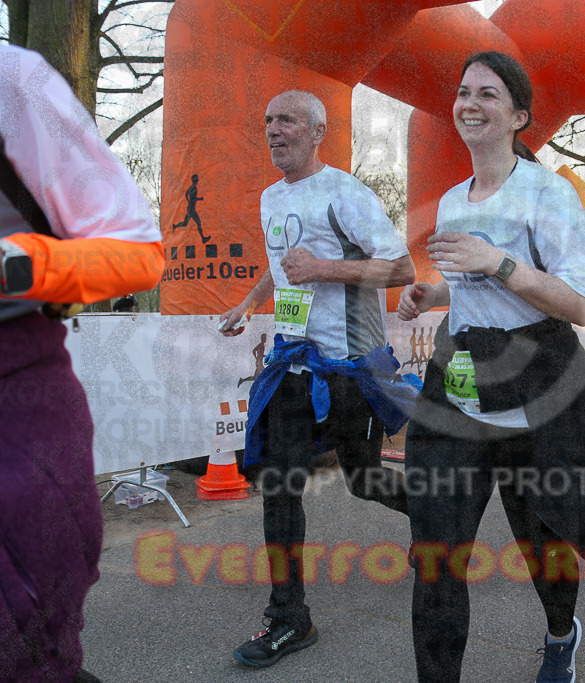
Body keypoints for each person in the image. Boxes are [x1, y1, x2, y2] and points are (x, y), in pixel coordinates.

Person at [396, 52, 585, 683]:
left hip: (535, 374)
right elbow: (475, 288)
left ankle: (562, 633)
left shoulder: (548, 193)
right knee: (435, 550)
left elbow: (582, 303)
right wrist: (434, 293)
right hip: (461, 371)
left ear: (518, 116)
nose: (469, 103)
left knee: (541, 537)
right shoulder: (452, 199)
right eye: (463, 91)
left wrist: (495, 260)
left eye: (488, 95)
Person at [0, 38, 163, 680]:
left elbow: (140, 252)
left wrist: (9, 264)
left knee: (18, 652)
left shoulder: (2, 79)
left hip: (3, 403)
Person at [219, 90, 417, 668]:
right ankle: (290, 619)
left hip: (349, 368)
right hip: (292, 364)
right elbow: (280, 263)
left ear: (316, 131)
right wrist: (248, 302)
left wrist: (327, 267)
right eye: (267, 120)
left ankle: (433, 521)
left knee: (364, 480)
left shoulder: (347, 195)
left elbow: (402, 267)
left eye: (285, 120)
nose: (273, 130)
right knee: (279, 489)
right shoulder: (270, 197)